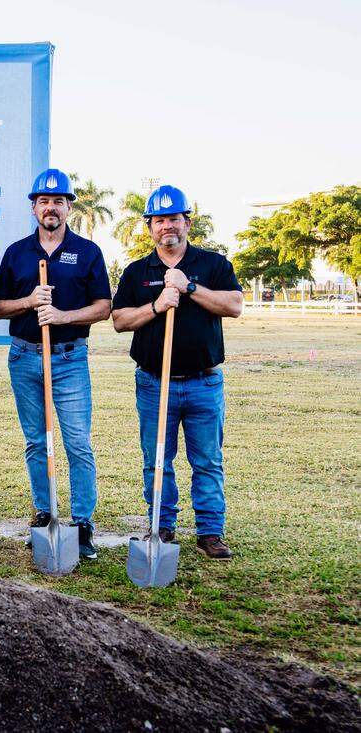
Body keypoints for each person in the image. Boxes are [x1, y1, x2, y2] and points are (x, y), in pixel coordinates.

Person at [111, 184, 243, 560]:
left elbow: (234, 305)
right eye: (159, 220)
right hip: (155, 382)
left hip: (204, 382)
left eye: (173, 218)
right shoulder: (138, 272)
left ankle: (210, 532)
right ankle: (161, 525)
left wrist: (190, 287)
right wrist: (156, 305)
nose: (166, 226)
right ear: (149, 227)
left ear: (187, 222)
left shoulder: (213, 265)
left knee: (207, 461)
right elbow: (120, 320)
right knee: (157, 460)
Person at [0, 168, 112, 559]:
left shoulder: (88, 252)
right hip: (24, 355)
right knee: (35, 440)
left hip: (68, 358)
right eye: (44, 201)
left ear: (68, 207)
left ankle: (81, 524)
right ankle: (45, 514)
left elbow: (103, 307)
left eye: (58, 201)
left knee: (77, 441)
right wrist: (30, 301)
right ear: (33, 207)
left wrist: (60, 316)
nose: (51, 208)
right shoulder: (17, 253)